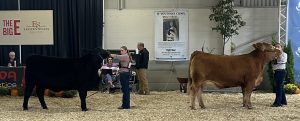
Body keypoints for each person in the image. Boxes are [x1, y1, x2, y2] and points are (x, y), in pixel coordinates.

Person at [271, 43, 287, 107]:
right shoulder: (274, 55)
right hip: (276, 72)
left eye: (278, 47)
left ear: (281, 48)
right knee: (280, 87)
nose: (277, 48)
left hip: (281, 72)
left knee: (278, 87)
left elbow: (283, 61)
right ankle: (283, 101)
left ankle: (278, 103)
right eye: (276, 47)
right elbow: (272, 62)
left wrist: (278, 55)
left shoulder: (284, 54)